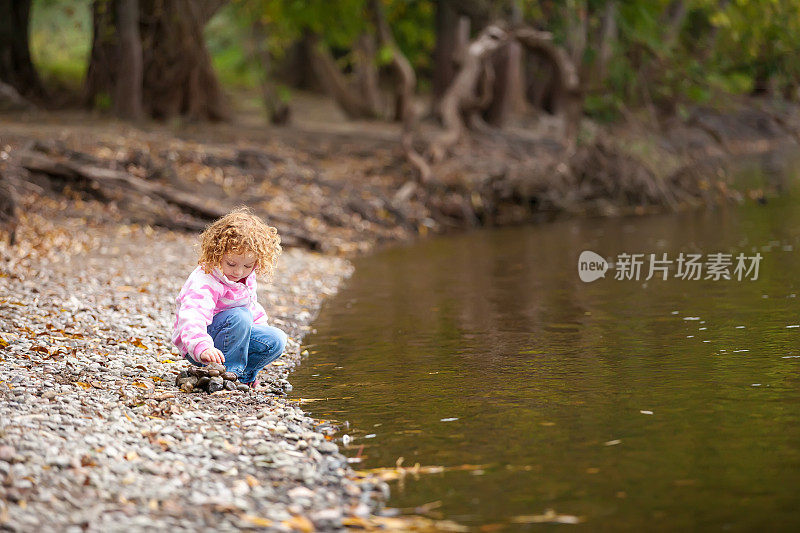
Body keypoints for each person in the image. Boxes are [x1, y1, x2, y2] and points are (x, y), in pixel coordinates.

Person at [172, 207, 287, 389]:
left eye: (248, 265)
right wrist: (202, 347)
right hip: (200, 344)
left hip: (234, 337)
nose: (238, 271)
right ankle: (227, 376)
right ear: (217, 254)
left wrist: (260, 328)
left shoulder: (246, 277)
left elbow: (251, 306)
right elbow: (193, 316)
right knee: (240, 316)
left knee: (276, 339)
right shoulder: (206, 278)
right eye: (231, 263)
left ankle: (243, 377)